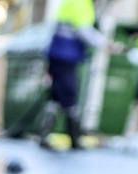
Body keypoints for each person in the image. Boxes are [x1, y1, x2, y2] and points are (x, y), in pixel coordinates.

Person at [43, 0, 104, 149]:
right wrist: (104, 43)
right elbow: (83, 31)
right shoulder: (82, 4)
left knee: (56, 96)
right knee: (69, 93)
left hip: (57, 52)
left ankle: (44, 135)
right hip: (66, 54)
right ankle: (73, 137)